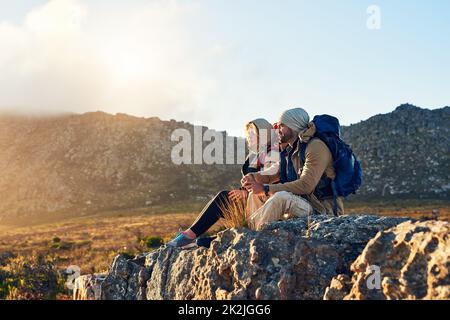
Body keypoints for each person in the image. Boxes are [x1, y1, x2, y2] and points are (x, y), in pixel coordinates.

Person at [167, 118, 279, 248]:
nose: (250, 138)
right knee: (227, 199)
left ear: (264, 134)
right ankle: (199, 239)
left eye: (253, 135)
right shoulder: (255, 156)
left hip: (266, 201)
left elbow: (276, 181)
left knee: (224, 197)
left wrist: (248, 193)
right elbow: (248, 182)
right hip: (251, 198)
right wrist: (244, 191)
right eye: (248, 135)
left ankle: (189, 237)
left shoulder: (277, 152)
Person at [242, 108, 345, 231]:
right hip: (303, 203)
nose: (277, 131)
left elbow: (306, 185)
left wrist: (265, 189)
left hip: (321, 210)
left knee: (281, 197)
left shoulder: (315, 147)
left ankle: (255, 234)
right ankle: (251, 230)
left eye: (281, 126)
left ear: (293, 126)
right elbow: (274, 173)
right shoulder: (291, 149)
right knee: (255, 194)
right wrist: (254, 177)